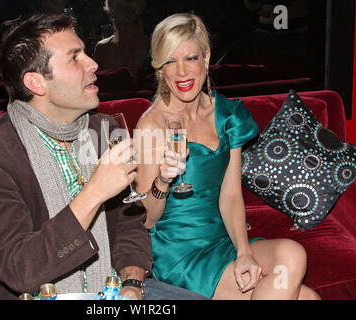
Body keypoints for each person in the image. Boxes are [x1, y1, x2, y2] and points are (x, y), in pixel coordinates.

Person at [0, 13, 207, 300]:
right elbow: (20, 270)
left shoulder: (105, 130)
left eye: (85, 52)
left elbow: (130, 225)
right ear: (37, 83)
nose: (94, 63)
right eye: (75, 58)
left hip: (110, 291)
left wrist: (132, 285)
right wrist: (95, 192)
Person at [135, 13, 321, 300]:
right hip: (179, 254)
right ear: (160, 68)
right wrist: (162, 179)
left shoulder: (227, 114)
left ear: (207, 59)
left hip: (223, 242)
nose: (182, 72)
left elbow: (231, 195)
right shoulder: (152, 125)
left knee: (293, 255)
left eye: (191, 58)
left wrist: (244, 252)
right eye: (170, 61)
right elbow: (146, 219)